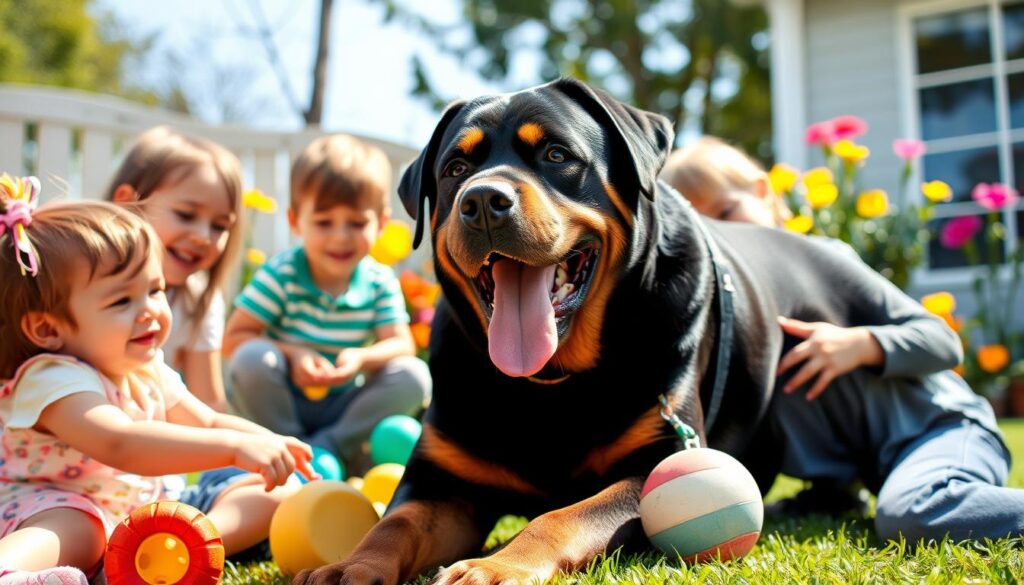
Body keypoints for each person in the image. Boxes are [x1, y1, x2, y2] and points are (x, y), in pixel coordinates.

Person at [660, 137, 1023, 542]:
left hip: (942, 430)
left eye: (728, 212)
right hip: (877, 469)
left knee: (916, 512)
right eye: (707, 229)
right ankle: (834, 495)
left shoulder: (823, 258)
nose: (724, 239)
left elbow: (942, 340)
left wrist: (861, 344)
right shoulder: (727, 326)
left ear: (763, 193)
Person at [0, 191, 314, 584]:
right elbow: (121, 443)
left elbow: (209, 423)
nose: (149, 309)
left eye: (155, 289)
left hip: (148, 510)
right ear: (48, 329)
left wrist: (272, 444)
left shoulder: (147, 368)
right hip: (59, 506)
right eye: (121, 301)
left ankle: (184, 545)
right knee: (77, 528)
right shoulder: (50, 378)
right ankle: (12, 570)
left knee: (273, 495)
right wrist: (234, 450)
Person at [223, 134, 431, 476]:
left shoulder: (379, 280)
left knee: (413, 376)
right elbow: (234, 340)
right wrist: (293, 354)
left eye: (357, 223)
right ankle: (287, 449)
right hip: (284, 404)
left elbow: (402, 343)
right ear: (295, 222)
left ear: (380, 224)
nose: (340, 236)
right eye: (324, 223)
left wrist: (361, 358)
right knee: (252, 359)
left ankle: (329, 448)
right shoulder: (283, 273)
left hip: (342, 407)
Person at [107, 126, 244, 412]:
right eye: (186, 215)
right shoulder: (80, 277)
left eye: (219, 226)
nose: (203, 237)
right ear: (128, 203)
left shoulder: (199, 299)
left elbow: (208, 401)